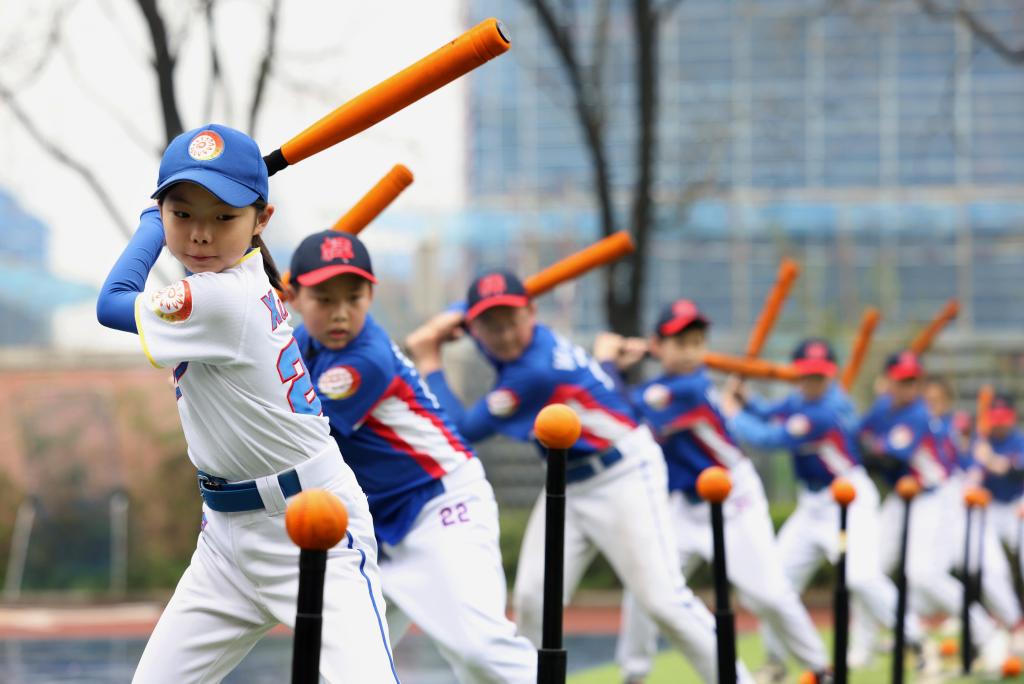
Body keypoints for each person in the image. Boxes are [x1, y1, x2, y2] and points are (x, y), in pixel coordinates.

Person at [96, 125, 398, 683]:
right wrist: (170, 215)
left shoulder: (221, 295)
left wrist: (152, 223)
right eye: (183, 214)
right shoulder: (242, 282)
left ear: (262, 220)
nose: (200, 234)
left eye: (224, 216)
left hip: (311, 525)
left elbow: (111, 303)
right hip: (224, 537)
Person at [405, 272, 752, 684]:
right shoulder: (511, 338)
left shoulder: (533, 372)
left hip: (623, 473)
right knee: (533, 599)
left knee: (664, 601)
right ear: (475, 327)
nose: (504, 334)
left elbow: (461, 430)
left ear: (532, 313)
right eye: (491, 325)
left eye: (512, 320)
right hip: (567, 484)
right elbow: (467, 316)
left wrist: (429, 360)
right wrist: (449, 319)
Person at [286, 230, 537, 682]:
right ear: (295, 297)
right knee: (344, 669)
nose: (341, 312)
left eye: (354, 297)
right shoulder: (301, 343)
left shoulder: (365, 360)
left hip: (440, 506)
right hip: (377, 525)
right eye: (324, 299)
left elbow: (292, 433)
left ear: (371, 295)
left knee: (481, 651)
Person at [593, 302, 829, 684]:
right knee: (645, 588)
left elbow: (622, 411)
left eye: (697, 342)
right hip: (684, 506)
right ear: (658, 345)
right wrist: (616, 368)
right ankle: (633, 676)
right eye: (680, 342)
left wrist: (606, 363)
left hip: (734, 500)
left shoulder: (688, 389)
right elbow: (624, 404)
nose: (691, 351)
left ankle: (820, 668)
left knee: (767, 595)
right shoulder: (664, 389)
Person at [719, 339, 927, 674]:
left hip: (848, 500)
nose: (813, 381)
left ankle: (917, 641)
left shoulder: (827, 411)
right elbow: (771, 414)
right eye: (807, 374)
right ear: (796, 374)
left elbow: (769, 438)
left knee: (861, 577)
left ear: (830, 375)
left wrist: (732, 413)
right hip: (812, 505)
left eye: (820, 375)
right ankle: (776, 661)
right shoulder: (797, 400)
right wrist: (746, 398)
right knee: (773, 583)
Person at [858, 351, 1007, 672]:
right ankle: (862, 646)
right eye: (902, 381)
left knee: (924, 575)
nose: (910, 387)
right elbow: (859, 435)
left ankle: (986, 631)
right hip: (901, 499)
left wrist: (867, 444)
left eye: (914, 381)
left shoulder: (917, 414)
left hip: (934, 498)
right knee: (865, 571)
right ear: (888, 382)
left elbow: (889, 454)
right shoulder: (883, 408)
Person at [969, 393, 1024, 634]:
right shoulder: (980, 442)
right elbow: (970, 478)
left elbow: (1011, 469)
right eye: (996, 419)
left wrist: (988, 458)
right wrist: (976, 462)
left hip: (1017, 505)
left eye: (1004, 419)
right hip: (990, 508)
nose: (1000, 424)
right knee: (990, 568)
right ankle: (1014, 621)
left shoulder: (1019, 441)